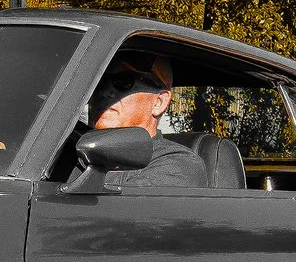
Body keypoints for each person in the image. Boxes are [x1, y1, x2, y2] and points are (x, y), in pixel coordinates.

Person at [82, 54, 207, 191]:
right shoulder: (70, 149)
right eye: (99, 82)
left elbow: (113, 211)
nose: (104, 92)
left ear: (159, 102)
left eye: (123, 81)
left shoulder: (179, 165)